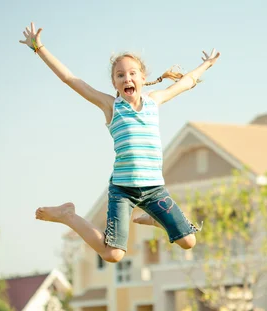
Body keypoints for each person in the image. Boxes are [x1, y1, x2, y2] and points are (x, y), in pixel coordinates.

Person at [19, 22, 220, 263]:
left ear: (143, 79)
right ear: (115, 83)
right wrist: (39, 48)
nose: (127, 78)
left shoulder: (154, 101)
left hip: (154, 189)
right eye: (120, 75)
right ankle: (68, 215)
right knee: (113, 254)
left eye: (132, 73)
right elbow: (71, 79)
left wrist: (205, 65)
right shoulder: (111, 106)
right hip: (122, 191)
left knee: (189, 242)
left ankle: (153, 217)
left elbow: (184, 83)